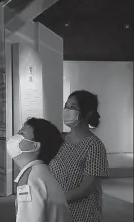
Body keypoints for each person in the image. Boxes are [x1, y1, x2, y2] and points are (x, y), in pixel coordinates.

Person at [49, 90, 109, 222]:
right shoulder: (59, 139)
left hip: (82, 215)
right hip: (57, 212)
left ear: (88, 114)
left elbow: (85, 189)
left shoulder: (94, 146)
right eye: (66, 106)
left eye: (73, 107)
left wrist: (54, 199)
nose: (67, 110)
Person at [8, 117, 71, 222]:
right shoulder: (41, 175)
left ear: (34, 146)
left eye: (21, 134)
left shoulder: (30, 181)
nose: (15, 137)